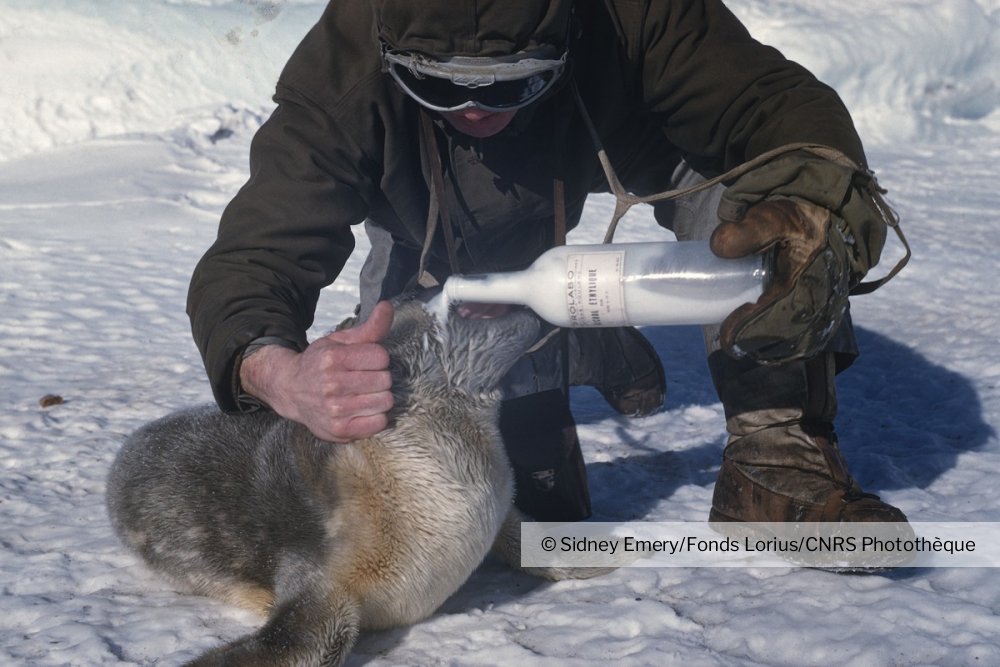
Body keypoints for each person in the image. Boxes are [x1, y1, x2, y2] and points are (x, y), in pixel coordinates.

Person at [187, 0, 909, 525]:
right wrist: (282, 373)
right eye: (437, 84)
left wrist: (812, 200)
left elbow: (770, 105)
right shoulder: (345, 63)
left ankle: (776, 465)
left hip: (618, 147)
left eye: (511, 81)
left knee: (767, 214)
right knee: (457, 439)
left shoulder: (632, 12)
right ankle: (562, 357)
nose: (474, 109)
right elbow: (257, 252)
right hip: (428, 228)